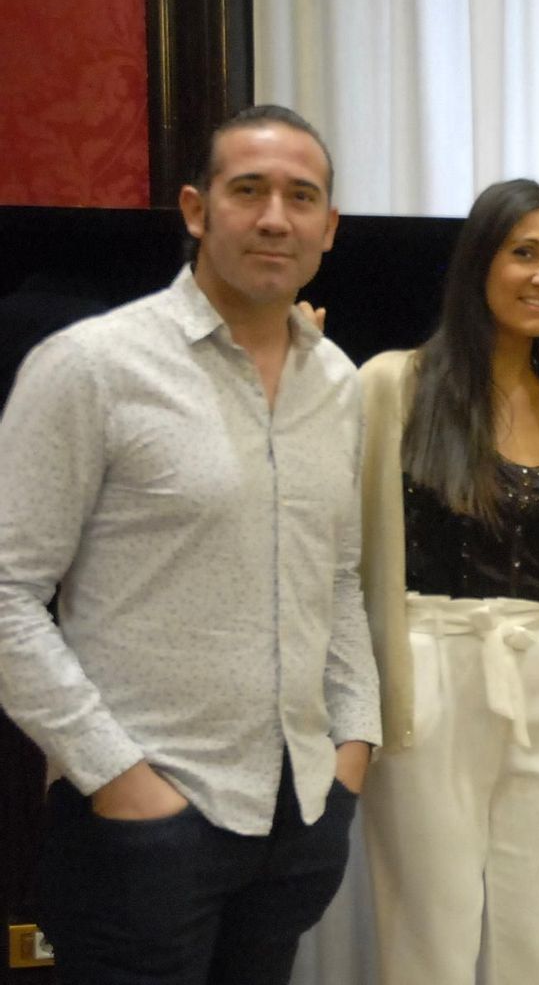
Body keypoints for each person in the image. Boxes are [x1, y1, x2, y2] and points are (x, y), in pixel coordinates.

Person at [0, 104, 380, 984]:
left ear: (330, 226)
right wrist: (118, 776)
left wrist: (350, 747)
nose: (275, 216)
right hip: (140, 831)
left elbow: (342, 578)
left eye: (301, 195)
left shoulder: (341, 382)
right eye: (248, 190)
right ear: (196, 208)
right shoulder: (92, 366)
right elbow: (8, 590)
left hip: (297, 819)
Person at [356, 179, 539, 984]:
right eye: (524, 252)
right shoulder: (395, 384)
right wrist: (365, 712)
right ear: (479, 263)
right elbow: (354, 558)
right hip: (430, 673)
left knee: (535, 928)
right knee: (432, 925)